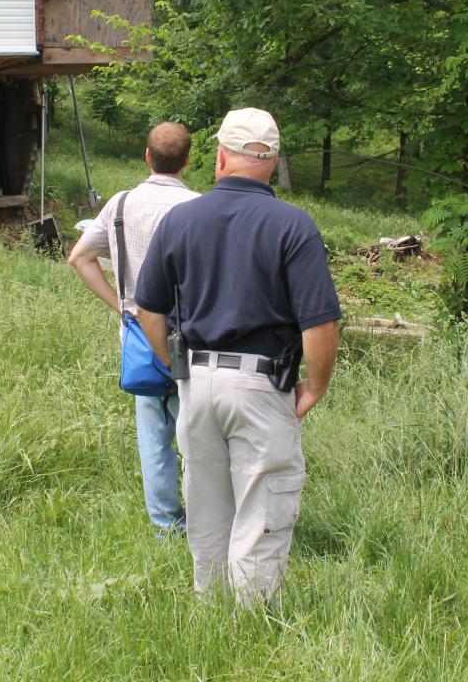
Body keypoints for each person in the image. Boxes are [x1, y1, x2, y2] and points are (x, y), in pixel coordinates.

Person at [135, 108, 340, 604]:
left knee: (206, 508)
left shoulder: (180, 219)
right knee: (262, 506)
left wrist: (176, 369)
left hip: (197, 380)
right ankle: (252, 624)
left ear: (221, 156)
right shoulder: (293, 225)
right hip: (262, 383)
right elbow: (319, 323)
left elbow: (149, 310)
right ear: (271, 162)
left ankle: (211, 609)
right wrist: (316, 386)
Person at [67, 122, 199, 532]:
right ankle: (204, 521)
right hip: (190, 333)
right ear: (188, 160)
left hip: (138, 335)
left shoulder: (121, 204)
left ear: (147, 157)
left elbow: (80, 258)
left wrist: (121, 306)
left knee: (153, 434)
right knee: (197, 435)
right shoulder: (198, 207)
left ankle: (165, 524)